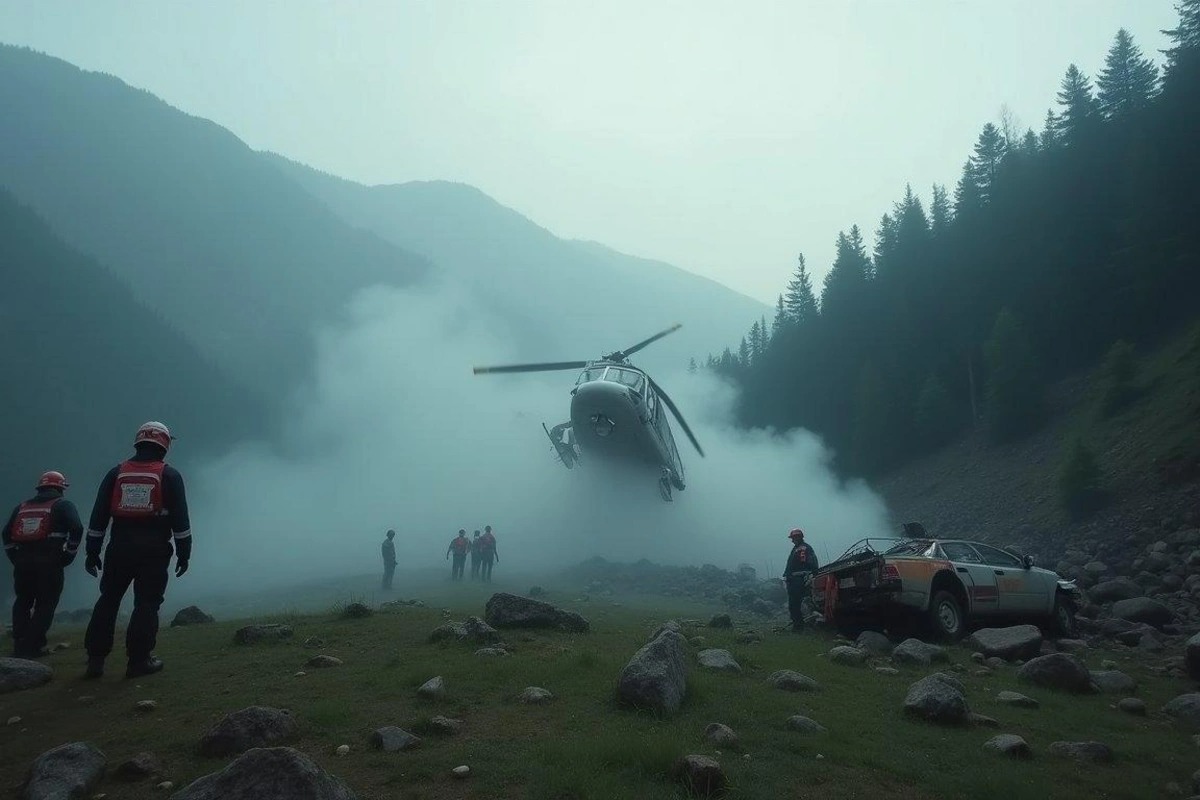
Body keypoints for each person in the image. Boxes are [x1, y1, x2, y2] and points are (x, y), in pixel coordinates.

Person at [82, 421, 191, 679]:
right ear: (164, 445)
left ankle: (95, 660)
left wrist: (92, 550)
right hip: (154, 551)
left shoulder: (116, 473)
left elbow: (98, 517)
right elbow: (181, 521)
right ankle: (138, 661)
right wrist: (184, 553)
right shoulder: (170, 476)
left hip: (118, 547)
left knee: (108, 600)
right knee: (147, 603)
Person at [3, 471, 83, 658]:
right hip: (50, 563)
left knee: (22, 601)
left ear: (40, 488)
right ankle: (33, 646)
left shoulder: (22, 507)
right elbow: (77, 527)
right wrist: (69, 553)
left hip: (22, 563)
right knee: (45, 604)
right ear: (61, 488)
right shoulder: (63, 505)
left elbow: (6, 533)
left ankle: (19, 643)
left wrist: (14, 556)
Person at [783, 528, 818, 632]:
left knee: (795, 603)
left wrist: (790, 576)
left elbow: (804, 564)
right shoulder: (802, 548)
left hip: (797, 580)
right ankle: (801, 625)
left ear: (799, 537)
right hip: (798, 579)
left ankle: (798, 627)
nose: (792, 540)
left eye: (793, 538)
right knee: (799, 603)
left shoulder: (801, 549)